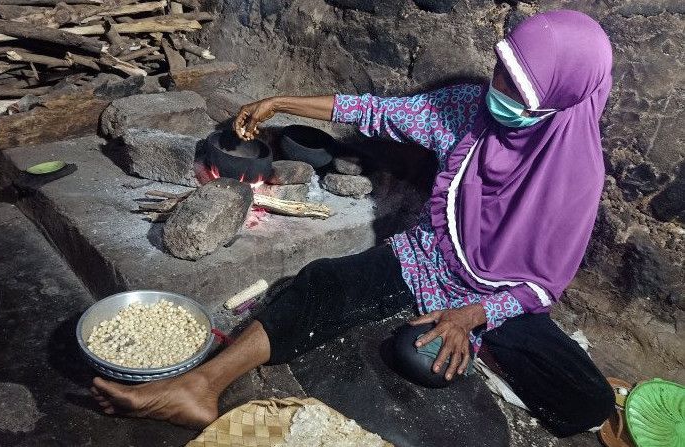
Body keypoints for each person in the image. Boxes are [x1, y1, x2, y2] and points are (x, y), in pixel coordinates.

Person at [91, 9, 615, 437]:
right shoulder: (467, 110)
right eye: (502, 68)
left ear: (562, 97)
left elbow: (542, 287)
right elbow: (378, 112)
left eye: (519, 86)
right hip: (430, 256)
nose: (497, 88)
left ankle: (481, 348)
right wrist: (281, 101)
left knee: (584, 402)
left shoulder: (578, 173)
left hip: (497, 295)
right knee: (324, 283)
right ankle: (201, 386)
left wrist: (472, 316)